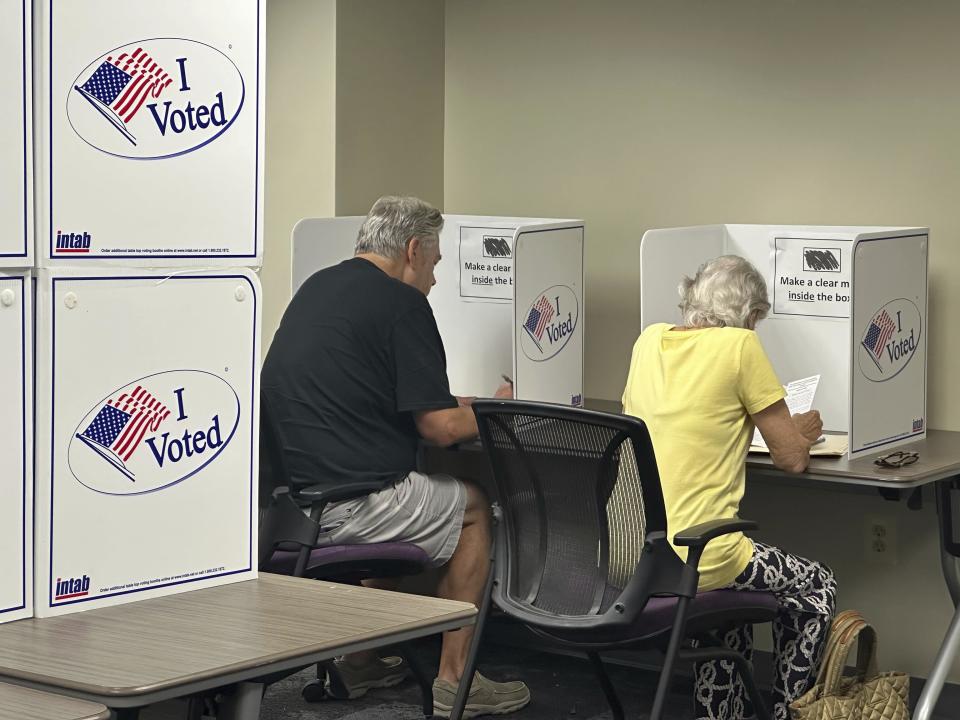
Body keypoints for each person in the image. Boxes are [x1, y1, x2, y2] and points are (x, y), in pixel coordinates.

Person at [261, 196, 529, 718]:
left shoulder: (318, 287)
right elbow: (442, 428)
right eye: (434, 263)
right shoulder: (402, 304)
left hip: (290, 508)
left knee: (406, 487)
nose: (433, 278)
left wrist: (463, 401)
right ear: (411, 250)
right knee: (472, 504)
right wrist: (500, 409)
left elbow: (378, 391)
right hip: (351, 505)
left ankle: (359, 661)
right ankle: (458, 681)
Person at [621, 255, 837, 720]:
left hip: (636, 550)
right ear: (748, 315)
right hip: (703, 554)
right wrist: (802, 430)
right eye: (756, 320)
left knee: (727, 615)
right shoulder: (740, 347)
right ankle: (786, 712)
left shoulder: (648, 342)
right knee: (817, 586)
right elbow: (793, 459)